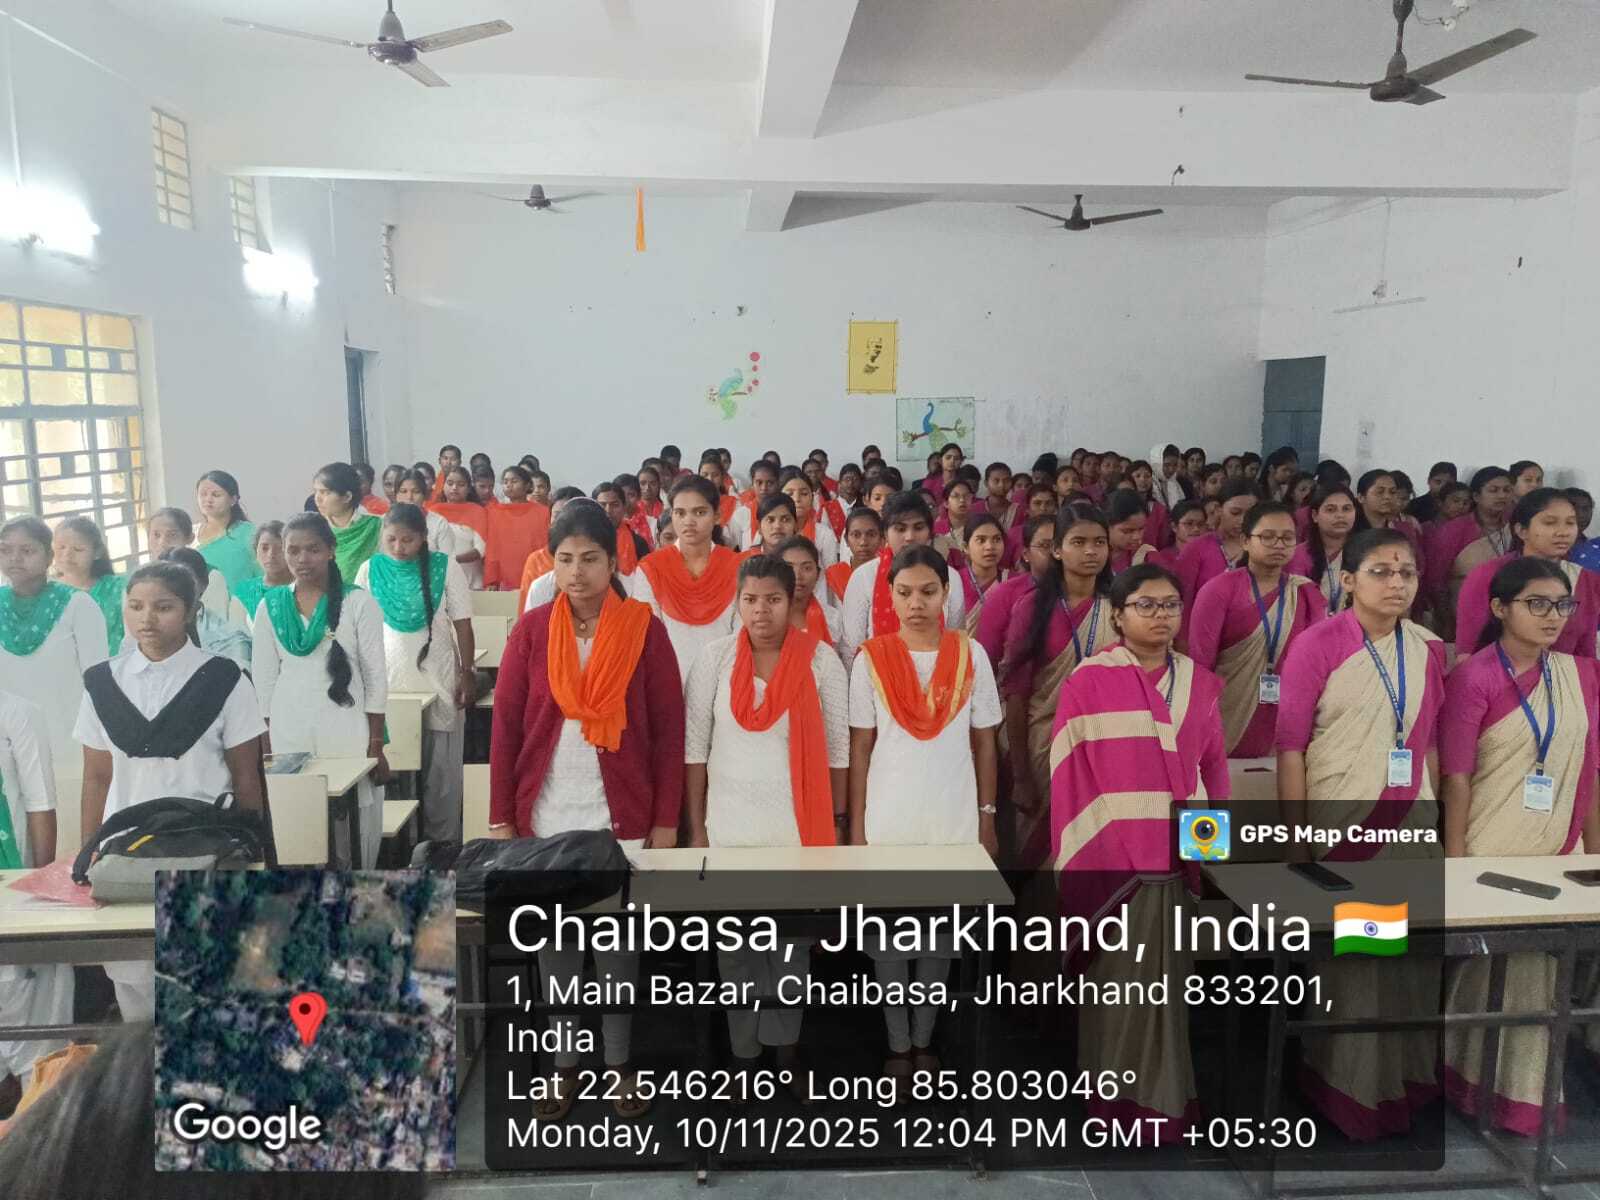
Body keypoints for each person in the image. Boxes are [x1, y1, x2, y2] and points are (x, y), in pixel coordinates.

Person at [488, 500, 681, 1119]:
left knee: (618, 951)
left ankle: (619, 1065)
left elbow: (668, 731)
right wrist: (502, 817)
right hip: (546, 814)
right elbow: (506, 726)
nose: (577, 572)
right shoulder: (532, 630)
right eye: (566, 559)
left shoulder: (645, 629)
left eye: (590, 559)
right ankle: (565, 1066)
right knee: (558, 953)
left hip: (619, 817)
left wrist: (666, 821)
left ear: (613, 560)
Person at [1276, 528, 1446, 1141]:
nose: (1397, 583)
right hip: (1341, 822)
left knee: (1412, 963)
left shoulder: (1427, 649)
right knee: (1357, 963)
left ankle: (1406, 1081)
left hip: (1411, 823)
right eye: (1380, 571)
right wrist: (1296, 840)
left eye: (1407, 572)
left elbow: (1427, 744)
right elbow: (1291, 748)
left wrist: (1432, 819)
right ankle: (1346, 1087)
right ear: (1347, 580)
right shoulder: (1316, 644)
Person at [1050, 563, 1229, 1138]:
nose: (1160, 616)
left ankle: (1166, 1103)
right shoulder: (1087, 682)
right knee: (1116, 994)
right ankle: (1111, 1106)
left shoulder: (1199, 682)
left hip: (1175, 865)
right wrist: (1103, 857)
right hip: (1114, 868)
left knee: (1168, 995)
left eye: (1171, 605)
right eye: (1145, 605)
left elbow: (1211, 770)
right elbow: (1070, 777)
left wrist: (1207, 858)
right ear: (1118, 614)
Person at [1438, 557, 1600, 1134]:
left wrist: (1592, 855)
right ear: (1500, 609)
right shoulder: (1475, 677)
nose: (1553, 616)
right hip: (1492, 845)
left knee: (1542, 975)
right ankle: (1489, 1089)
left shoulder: (1581, 675)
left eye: (1562, 605)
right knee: (1503, 973)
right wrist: (1457, 864)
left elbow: (1589, 771)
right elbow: (1457, 777)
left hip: (1560, 846)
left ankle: (1522, 1092)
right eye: (1537, 604)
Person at [683, 555, 848, 1086]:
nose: (761, 611)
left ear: (791, 600)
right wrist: (697, 830)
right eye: (750, 600)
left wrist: (837, 827)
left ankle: (786, 1054)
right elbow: (695, 750)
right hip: (728, 830)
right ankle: (743, 1056)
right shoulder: (713, 659)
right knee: (735, 954)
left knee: (789, 952)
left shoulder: (821, 661)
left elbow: (838, 753)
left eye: (773, 599)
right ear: (737, 603)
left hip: (795, 832)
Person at [75, 561, 266, 1020]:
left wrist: (253, 854)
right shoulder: (102, 682)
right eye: (135, 606)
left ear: (191, 611)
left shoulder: (225, 678)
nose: (147, 619)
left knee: (201, 982)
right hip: (124, 853)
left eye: (163, 607)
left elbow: (246, 776)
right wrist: (87, 852)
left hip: (205, 849)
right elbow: (97, 777)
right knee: (136, 987)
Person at [848, 545, 1000, 1096]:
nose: (917, 603)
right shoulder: (871, 658)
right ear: (889, 597)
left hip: (952, 816)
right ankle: (897, 1044)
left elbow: (986, 744)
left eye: (928, 592)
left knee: (938, 940)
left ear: (946, 595)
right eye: (905, 592)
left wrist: (987, 820)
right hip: (888, 818)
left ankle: (924, 1039)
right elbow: (860, 748)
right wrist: (856, 830)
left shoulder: (970, 654)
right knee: (889, 942)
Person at [251, 513, 389, 869]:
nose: (302, 559)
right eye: (293, 551)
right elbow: (264, 680)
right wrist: (267, 746)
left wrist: (376, 744)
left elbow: (376, 676)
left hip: (345, 727)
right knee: (298, 827)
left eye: (312, 549)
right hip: (289, 729)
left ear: (331, 550)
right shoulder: (271, 605)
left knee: (349, 828)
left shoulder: (358, 602)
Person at [355, 504, 475, 843]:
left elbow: (463, 624)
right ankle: (401, 846)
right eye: (391, 539)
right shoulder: (369, 569)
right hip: (389, 681)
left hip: (438, 674)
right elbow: (357, 630)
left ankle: (442, 845)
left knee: (441, 773)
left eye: (407, 540)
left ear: (423, 538)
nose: (399, 547)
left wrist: (467, 673)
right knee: (395, 768)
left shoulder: (445, 566)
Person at [1002, 508, 1113, 862]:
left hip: (1105, 744)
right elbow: (1016, 695)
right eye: (1078, 542)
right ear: (1057, 550)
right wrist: (1021, 776)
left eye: (1099, 542)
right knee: (1037, 851)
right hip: (1043, 744)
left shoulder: (1119, 607)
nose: (1091, 551)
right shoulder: (1032, 607)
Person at [1187, 503, 1327, 757]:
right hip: (1229, 708)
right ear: (1245, 541)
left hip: (1287, 711)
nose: (1279, 545)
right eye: (1268, 537)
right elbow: (1201, 665)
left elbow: (1317, 664)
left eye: (1287, 538)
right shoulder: (1219, 590)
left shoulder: (1305, 593)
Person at [0, 687, 70, 1109]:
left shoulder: (17, 712)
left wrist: (42, 894)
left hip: (16, 900)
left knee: (39, 1066)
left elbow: (41, 806)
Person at [0, 517, 109, 761]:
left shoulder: (77, 604)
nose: (14, 558)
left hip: (69, 744)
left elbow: (99, 682)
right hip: (9, 747)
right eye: (5, 550)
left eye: (27, 550)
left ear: (49, 557)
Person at [1455, 488, 1600, 660]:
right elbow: (1467, 650)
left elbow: (1586, 651)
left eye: (1570, 523)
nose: (1563, 532)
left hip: (1564, 674)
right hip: (1497, 673)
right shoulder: (1487, 575)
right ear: (1522, 530)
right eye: (1550, 523)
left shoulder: (1586, 579)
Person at [631, 476, 741, 684]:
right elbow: (649, 638)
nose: (688, 521)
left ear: (717, 515)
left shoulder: (738, 567)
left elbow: (741, 636)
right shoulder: (651, 569)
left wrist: (723, 684)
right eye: (680, 513)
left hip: (726, 680)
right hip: (667, 682)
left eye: (699, 512)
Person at [840, 493, 965, 665]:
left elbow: (954, 640)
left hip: (939, 673)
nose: (909, 537)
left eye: (918, 528)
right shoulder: (864, 577)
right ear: (885, 533)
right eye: (900, 529)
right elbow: (852, 646)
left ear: (930, 533)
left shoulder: (950, 577)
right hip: (877, 675)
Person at [1425, 466, 1514, 636]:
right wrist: (1446, 620)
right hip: (1463, 611)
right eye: (1494, 490)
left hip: (1509, 611)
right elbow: (1437, 579)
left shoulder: (1517, 526)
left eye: (1507, 490)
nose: (1502, 495)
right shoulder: (1455, 529)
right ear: (1476, 496)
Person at [1175, 479, 1259, 632]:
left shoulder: (1261, 548)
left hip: (1250, 634)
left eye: (1250, 514)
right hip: (1202, 632)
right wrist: (1184, 640)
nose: (1242, 520)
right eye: (1235, 513)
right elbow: (1182, 601)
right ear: (1219, 509)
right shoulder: (1196, 548)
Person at [975, 514, 1056, 671]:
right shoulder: (1004, 594)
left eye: (1058, 545)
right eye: (1045, 546)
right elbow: (987, 659)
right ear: (1026, 554)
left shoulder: (1081, 593)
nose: (1054, 552)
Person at [160, 549, 251, 670]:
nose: (175, 590)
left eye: (185, 582)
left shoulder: (229, 639)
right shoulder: (144, 633)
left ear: (204, 584)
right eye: (167, 582)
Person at [51, 517, 124, 655]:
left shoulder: (116, 589)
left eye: (78, 549)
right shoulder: (47, 593)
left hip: (110, 665)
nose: (67, 554)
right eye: (61, 547)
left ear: (97, 552)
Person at [1287, 484, 1363, 611]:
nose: (1340, 515)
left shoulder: (1365, 553)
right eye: (1331, 510)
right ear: (1315, 515)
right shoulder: (1298, 555)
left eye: (1346, 509)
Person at [146, 508, 229, 618]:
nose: (162, 542)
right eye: (156, 535)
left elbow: (215, 621)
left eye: (172, 535)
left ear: (190, 538)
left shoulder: (211, 575)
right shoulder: (142, 577)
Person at [192, 470, 259, 599]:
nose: (208, 500)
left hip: (242, 605)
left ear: (233, 500)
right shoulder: (191, 534)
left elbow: (264, 575)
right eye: (203, 494)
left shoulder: (248, 532)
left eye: (216, 495)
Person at [311, 462, 383, 581]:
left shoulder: (377, 525)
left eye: (325, 492)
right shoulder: (315, 530)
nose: (317, 499)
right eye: (316, 492)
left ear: (347, 496)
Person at [483, 466, 552, 591]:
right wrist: (492, 580)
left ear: (527, 485)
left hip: (535, 574)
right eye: (505, 482)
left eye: (514, 481)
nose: (509, 485)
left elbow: (544, 546)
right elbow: (492, 549)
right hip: (505, 575)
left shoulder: (542, 512)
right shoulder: (495, 512)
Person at [775, 536, 842, 649]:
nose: (797, 576)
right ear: (775, 574)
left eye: (806, 568)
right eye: (789, 568)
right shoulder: (764, 616)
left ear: (818, 575)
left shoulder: (832, 618)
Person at [428, 467, 489, 589]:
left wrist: (452, 560)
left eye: (461, 484)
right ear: (443, 486)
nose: (454, 488)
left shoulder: (477, 511)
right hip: (440, 578)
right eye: (450, 483)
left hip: (471, 581)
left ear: (468, 488)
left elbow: (481, 550)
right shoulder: (433, 511)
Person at [228, 521, 290, 631]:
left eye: (280, 548)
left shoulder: (302, 589)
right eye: (264, 548)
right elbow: (237, 634)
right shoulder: (244, 591)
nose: (271, 555)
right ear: (255, 551)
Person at [954, 513, 1006, 637]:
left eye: (997, 539)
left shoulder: (1014, 582)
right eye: (981, 540)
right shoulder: (953, 582)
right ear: (965, 547)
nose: (990, 547)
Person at [778, 469, 840, 567]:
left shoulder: (824, 534)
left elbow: (831, 571)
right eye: (790, 494)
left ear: (812, 498)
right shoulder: (770, 531)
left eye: (804, 494)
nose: (797, 499)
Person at [828, 507, 883, 605]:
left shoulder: (887, 572)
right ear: (846, 540)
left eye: (871, 535)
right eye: (856, 535)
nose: (863, 542)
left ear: (881, 539)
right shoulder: (835, 574)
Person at [592, 481, 648, 575]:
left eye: (615, 505)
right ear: (593, 508)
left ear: (624, 507)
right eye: (602, 505)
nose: (608, 510)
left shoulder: (638, 544)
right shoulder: (585, 541)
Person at [1105, 489, 1153, 574]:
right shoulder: (1095, 556)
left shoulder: (1146, 555)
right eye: (1127, 531)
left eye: (1141, 529)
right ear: (1108, 526)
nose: (1137, 537)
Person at [1151, 499, 1207, 571]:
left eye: (1201, 524)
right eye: (1189, 523)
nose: (1196, 529)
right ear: (1174, 526)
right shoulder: (1162, 559)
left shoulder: (1212, 553)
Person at [933, 477, 976, 562]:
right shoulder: (935, 529)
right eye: (956, 496)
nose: (962, 500)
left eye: (966, 496)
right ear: (946, 503)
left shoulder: (979, 527)